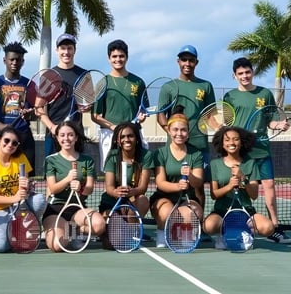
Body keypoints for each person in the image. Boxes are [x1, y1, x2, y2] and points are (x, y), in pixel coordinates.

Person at [223, 57, 291, 243]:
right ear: (234, 75)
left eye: (247, 72)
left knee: (269, 186)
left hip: (262, 150)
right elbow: (228, 125)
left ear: (252, 72)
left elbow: (269, 121)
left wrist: (278, 124)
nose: (244, 76)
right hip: (240, 152)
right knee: (240, 188)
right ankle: (238, 225)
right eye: (240, 73)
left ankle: (275, 228)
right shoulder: (229, 97)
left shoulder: (265, 94)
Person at [157, 45, 215, 216]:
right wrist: (174, 132)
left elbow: (209, 115)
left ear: (196, 62)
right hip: (174, 148)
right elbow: (161, 115)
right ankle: (170, 221)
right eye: (184, 59)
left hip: (199, 145)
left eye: (191, 60)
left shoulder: (206, 86)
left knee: (198, 187)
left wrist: (220, 128)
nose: (187, 63)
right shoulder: (168, 87)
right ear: (178, 62)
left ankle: (200, 226)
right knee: (171, 185)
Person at [204, 126, 274, 248]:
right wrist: (229, 186)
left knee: (268, 228)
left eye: (236, 139)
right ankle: (224, 233)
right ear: (222, 143)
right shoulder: (215, 164)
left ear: (241, 143)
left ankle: (245, 231)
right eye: (227, 140)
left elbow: (254, 195)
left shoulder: (250, 163)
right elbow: (214, 195)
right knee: (208, 226)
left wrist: (243, 178)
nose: (231, 142)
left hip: (246, 211)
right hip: (222, 212)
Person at [0, 126, 46, 252]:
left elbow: (24, 190)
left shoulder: (20, 158)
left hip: (18, 206)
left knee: (39, 200)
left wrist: (26, 186)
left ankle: (21, 227)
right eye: (6, 140)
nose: (10, 145)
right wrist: (15, 198)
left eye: (14, 143)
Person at [42, 121, 105, 252]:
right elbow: (52, 189)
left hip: (78, 208)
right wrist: (67, 179)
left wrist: (81, 189)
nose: (66, 139)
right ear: (57, 138)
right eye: (62, 135)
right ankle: (64, 230)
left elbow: (89, 189)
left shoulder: (87, 160)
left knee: (99, 225)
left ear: (76, 137)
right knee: (57, 245)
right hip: (56, 209)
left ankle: (75, 230)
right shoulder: (51, 160)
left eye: (70, 135)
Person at [151, 106, 204, 248]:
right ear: (168, 131)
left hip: (187, 198)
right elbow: (160, 182)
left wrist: (190, 175)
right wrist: (177, 186)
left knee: (193, 213)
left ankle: (185, 234)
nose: (179, 133)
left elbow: (198, 182)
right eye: (175, 130)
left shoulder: (196, 154)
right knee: (166, 212)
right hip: (164, 198)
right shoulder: (160, 153)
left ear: (187, 132)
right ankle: (162, 233)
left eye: (183, 130)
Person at [91, 40, 147, 171]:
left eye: (121, 56)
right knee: (111, 171)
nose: (118, 59)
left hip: (134, 133)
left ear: (126, 57)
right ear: (109, 58)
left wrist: (142, 117)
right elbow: (95, 116)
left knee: (137, 168)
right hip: (109, 134)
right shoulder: (102, 82)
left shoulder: (138, 82)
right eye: (114, 56)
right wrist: (113, 127)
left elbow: (143, 110)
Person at [0, 42, 37, 176]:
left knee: (25, 178)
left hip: (23, 137)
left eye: (18, 60)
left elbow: (36, 114)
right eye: (11, 59)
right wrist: (1, 126)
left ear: (22, 62)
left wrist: (30, 115)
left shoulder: (30, 85)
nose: (14, 62)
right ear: (4, 60)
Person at [99, 122, 153, 248]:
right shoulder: (112, 156)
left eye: (130, 136)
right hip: (112, 203)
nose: (126, 140)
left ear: (136, 138)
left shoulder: (146, 156)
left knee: (143, 200)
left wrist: (131, 192)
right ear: (117, 141)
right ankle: (113, 232)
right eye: (122, 137)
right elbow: (109, 188)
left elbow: (142, 188)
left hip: (132, 201)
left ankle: (132, 231)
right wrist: (116, 192)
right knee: (112, 244)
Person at [36, 33, 87, 156]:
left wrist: (86, 107)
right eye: (63, 48)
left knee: (78, 173)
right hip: (53, 135)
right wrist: (52, 127)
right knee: (51, 174)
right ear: (57, 50)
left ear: (74, 50)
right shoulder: (48, 75)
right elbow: (38, 108)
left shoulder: (84, 75)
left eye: (70, 48)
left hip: (76, 134)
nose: (66, 52)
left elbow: (86, 103)